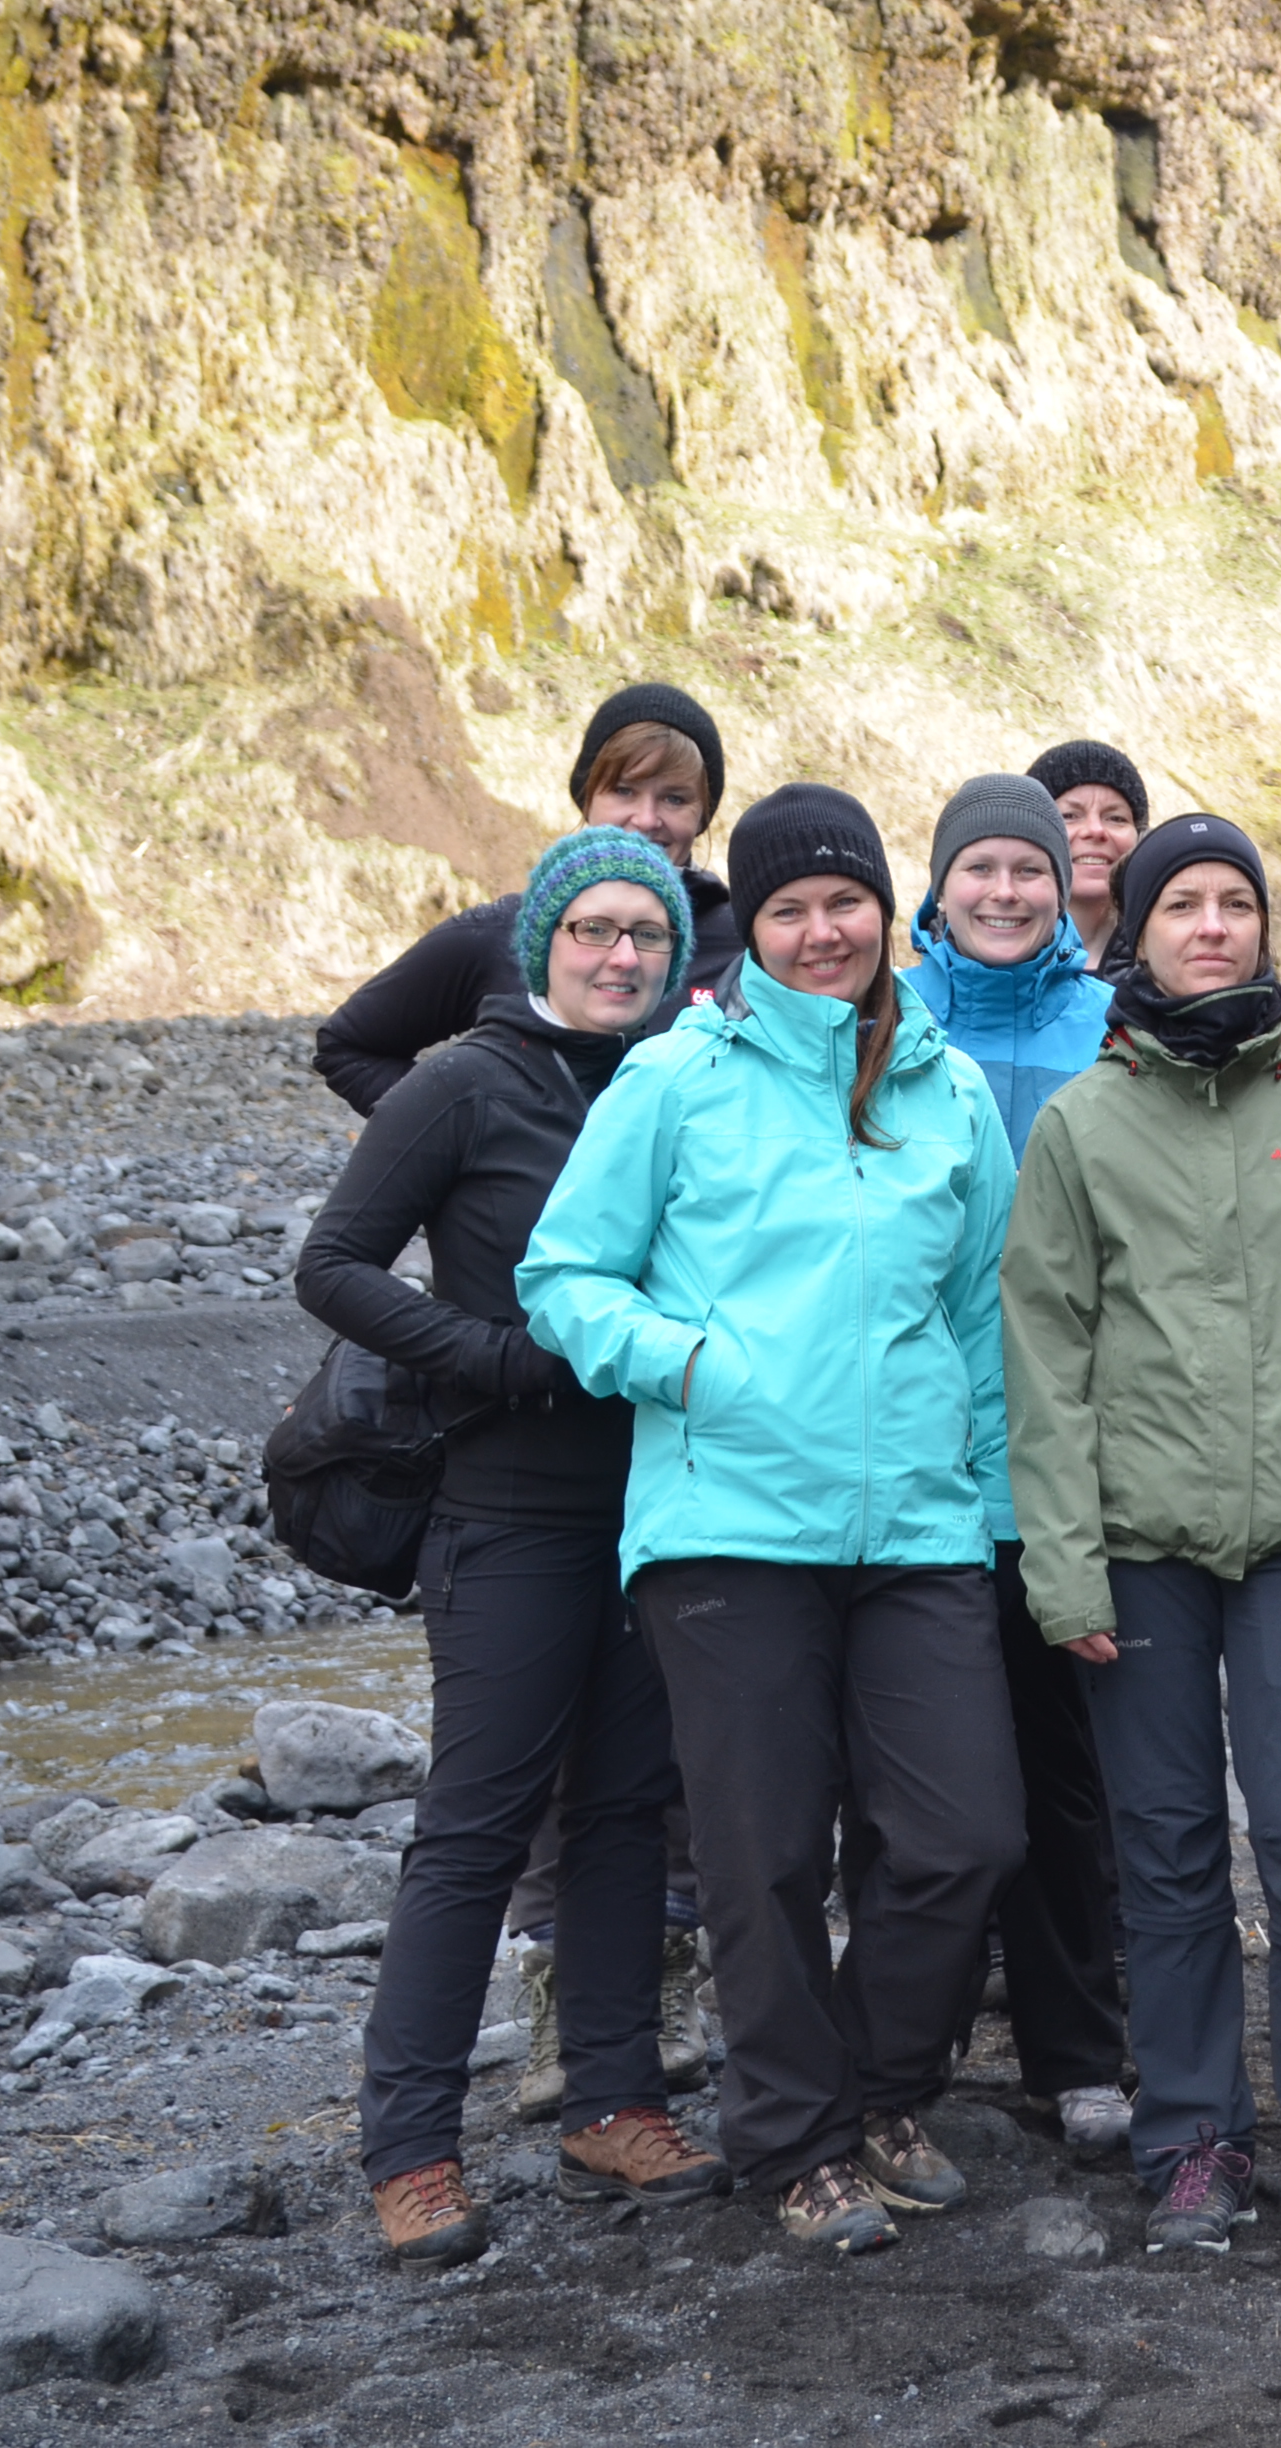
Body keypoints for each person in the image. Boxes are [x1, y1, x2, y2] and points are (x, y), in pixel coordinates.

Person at [521, 786, 1027, 2260]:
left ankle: (873, 2088)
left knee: (963, 1839)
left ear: (887, 914)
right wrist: (688, 1365)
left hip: (920, 1530)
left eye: (846, 902)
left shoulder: (947, 1091)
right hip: (728, 1526)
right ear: (751, 930)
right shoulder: (677, 1078)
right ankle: (794, 2144)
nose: (823, 931)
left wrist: (995, 1519)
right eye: (790, 909)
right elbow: (565, 1280)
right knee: (764, 1859)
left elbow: (979, 1323)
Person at [1002, 814, 1281, 2262]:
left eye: (1233, 904)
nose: (1210, 926)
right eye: (1179, 904)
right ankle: (1192, 2138)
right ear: (1136, 932)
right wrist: (1061, 1563)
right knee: (1171, 1853)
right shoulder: (1081, 1124)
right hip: (1140, 1551)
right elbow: (1045, 1362)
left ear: (1263, 927)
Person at [299, 827, 724, 2267]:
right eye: (596, 931)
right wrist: (481, 1356)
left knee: (622, 1813)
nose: (621, 958)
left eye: (646, 938)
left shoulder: (685, 1084)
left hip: (660, 1509)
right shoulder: (460, 1084)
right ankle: (410, 2146)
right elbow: (335, 1263)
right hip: (507, 1514)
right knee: (479, 1827)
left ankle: (612, 2098)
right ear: (543, 941)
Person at [903, 774, 1130, 2157]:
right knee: (907, 1782)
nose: (1002, 893)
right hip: (907, 1457)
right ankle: (905, 2048)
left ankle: (1076, 2048)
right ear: (937, 888)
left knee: (1067, 1772)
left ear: (1063, 888)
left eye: (1027, 872)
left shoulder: (1111, 1026)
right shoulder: (884, 1021)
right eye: (977, 869)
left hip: (1070, 1456)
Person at [314, 683, 742, 1111]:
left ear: (701, 815)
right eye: (624, 790)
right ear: (587, 798)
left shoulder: (743, 946)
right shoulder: (498, 933)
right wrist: (471, 1136)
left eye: (674, 798)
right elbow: (350, 1047)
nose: (647, 819)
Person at [1032, 739, 1150, 974]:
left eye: (1116, 818)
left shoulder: (1166, 959)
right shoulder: (980, 951)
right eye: (1070, 815)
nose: (1095, 831)